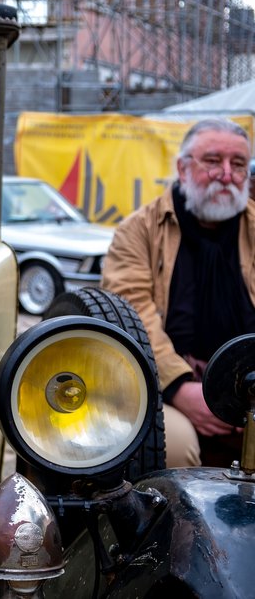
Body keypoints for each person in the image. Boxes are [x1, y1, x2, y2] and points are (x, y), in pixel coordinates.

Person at [101, 117, 255, 468]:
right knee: (176, 445)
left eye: (238, 164)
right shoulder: (137, 232)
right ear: (183, 168)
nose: (226, 174)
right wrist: (178, 388)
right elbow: (132, 315)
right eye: (213, 161)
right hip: (167, 387)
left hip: (248, 383)